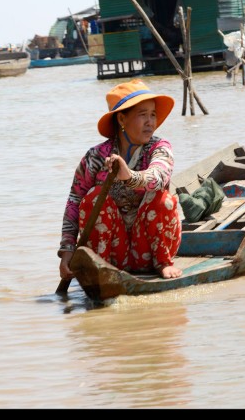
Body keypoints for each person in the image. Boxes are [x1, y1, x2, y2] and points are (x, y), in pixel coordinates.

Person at [58, 79, 182, 280]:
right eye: (143, 115)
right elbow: (74, 201)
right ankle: (103, 268)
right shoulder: (96, 157)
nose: (150, 122)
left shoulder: (159, 147)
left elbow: (159, 176)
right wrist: (67, 251)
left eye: (153, 115)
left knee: (162, 198)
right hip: (114, 253)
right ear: (122, 120)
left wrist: (129, 176)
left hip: (151, 250)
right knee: (92, 198)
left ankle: (163, 263)